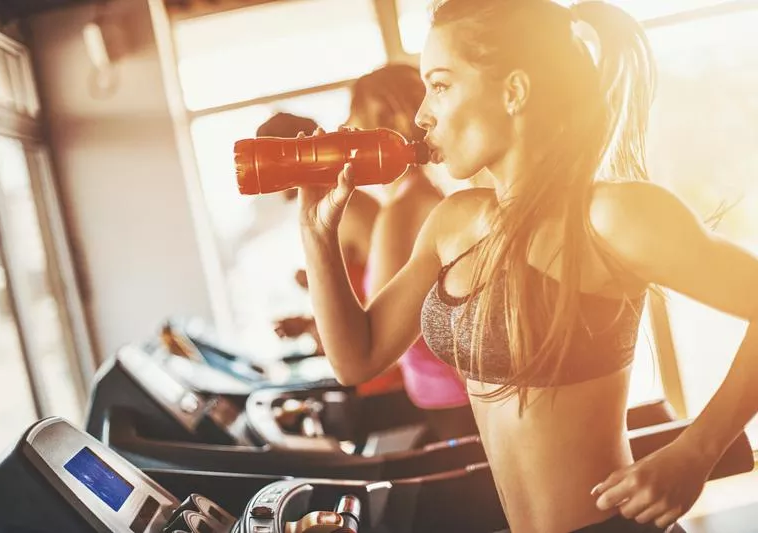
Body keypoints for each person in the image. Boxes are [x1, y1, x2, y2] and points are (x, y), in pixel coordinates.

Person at [295, 1, 758, 532]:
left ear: (514, 91)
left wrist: (696, 452)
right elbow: (357, 359)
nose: (423, 114)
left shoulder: (610, 215)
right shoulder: (453, 222)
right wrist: (316, 234)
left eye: (440, 86)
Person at [347, 64, 476, 439]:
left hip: (453, 405)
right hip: (445, 400)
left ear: (378, 125)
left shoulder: (403, 209)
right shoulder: (419, 196)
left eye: (354, 123)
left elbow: (372, 337)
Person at [262, 113, 403, 395]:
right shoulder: (331, 210)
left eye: (271, 162)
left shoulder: (347, 212)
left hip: (388, 371)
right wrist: (307, 323)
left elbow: (381, 306)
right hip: (371, 364)